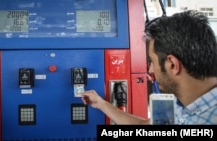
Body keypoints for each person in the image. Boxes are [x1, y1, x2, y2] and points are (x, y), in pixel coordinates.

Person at [81, 10, 217, 125]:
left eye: (151, 61)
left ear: (172, 65)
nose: (150, 70)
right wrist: (101, 103)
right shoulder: (181, 103)